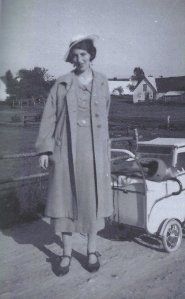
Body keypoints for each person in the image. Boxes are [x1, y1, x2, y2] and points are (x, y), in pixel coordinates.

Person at [35, 34, 113, 276]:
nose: (79, 59)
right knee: (64, 200)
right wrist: (45, 149)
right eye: (75, 55)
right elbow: (49, 117)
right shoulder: (61, 83)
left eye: (84, 54)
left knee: (92, 200)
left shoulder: (102, 82)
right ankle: (67, 252)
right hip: (65, 149)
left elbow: (106, 114)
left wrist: (103, 146)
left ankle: (91, 249)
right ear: (71, 58)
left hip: (93, 151)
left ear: (91, 56)